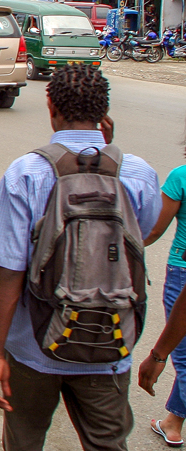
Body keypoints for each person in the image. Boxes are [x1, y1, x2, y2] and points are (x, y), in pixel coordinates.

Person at [0, 63, 159, 451]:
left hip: (34, 348)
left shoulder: (26, 172)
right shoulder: (138, 174)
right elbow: (138, 239)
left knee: (25, 440)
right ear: (105, 111)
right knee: (108, 444)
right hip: (109, 344)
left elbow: (10, 270)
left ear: (50, 106)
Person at [143, 136, 186, 446]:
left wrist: (127, 248)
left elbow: (155, 229)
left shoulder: (181, 176)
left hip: (182, 273)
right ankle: (173, 422)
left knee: (182, 355)